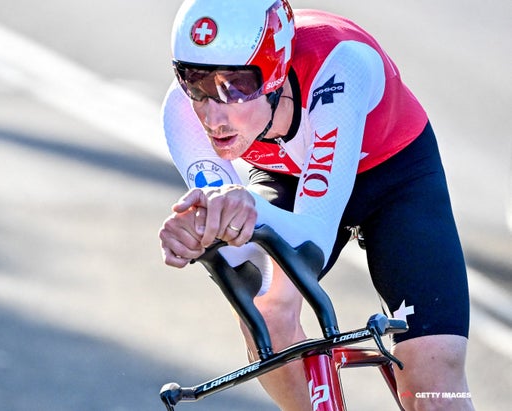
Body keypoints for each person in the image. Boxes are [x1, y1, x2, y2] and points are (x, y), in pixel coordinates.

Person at [157, 0, 474, 410]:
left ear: (274, 73)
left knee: (433, 378)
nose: (213, 114)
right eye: (195, 82)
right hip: (289, 179)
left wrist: (241, 207)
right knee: (263, 309)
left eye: (236, 86)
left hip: (396, 180)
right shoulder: (181, 112)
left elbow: (313, 238)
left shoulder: (341, 65)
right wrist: (201, 230)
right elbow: (239, 240)